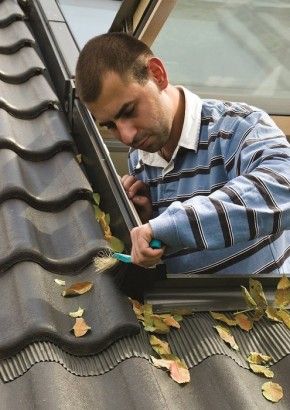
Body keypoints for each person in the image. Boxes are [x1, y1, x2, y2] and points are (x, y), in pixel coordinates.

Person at [75, 32, 290, 275]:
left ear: (157, 75)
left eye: (129, 110)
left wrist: (174, 225)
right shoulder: (139, 160)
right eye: (110, 125)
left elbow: (284, 186)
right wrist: (144, 221)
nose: (126, 136)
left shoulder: (239, 126)